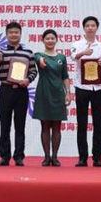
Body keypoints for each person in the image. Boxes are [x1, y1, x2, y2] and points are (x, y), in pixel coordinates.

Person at [0, 21, 38, 166]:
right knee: (4, 125)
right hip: (5, 90)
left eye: (16, 32)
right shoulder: (0, 52)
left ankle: (19, 156)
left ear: (20, 34)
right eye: (11, 32)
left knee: (20, 125)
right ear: (6, 35)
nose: (14, 35)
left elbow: (33, 70)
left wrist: (28, 80)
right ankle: (4, 156)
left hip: (21, 91)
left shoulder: (28, 53)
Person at [71, 16, 101, 167]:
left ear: (97, 28)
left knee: (98, 123)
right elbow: (73, 57)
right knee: (82, 123)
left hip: (98, 88)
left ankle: (97, 157)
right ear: (84, 28)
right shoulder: (77, 44)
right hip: (82, 87)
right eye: (88, 25)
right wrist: (83, 53)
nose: (90, 28)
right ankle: (82, 157)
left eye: (93, 25)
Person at [33, 29, 71, 166]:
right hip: (43, 93)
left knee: (56, 126)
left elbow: (65, 76)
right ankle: (46, 157)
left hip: (58, 93)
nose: (50, 41)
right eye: (47, 38)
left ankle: (54, 157)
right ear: (43, 40)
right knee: (44, 127)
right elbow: (38, 59)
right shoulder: (39, 55)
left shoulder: (62, 57)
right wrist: (41, 61)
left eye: (52, 38)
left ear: (56, 40)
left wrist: (68, 93)